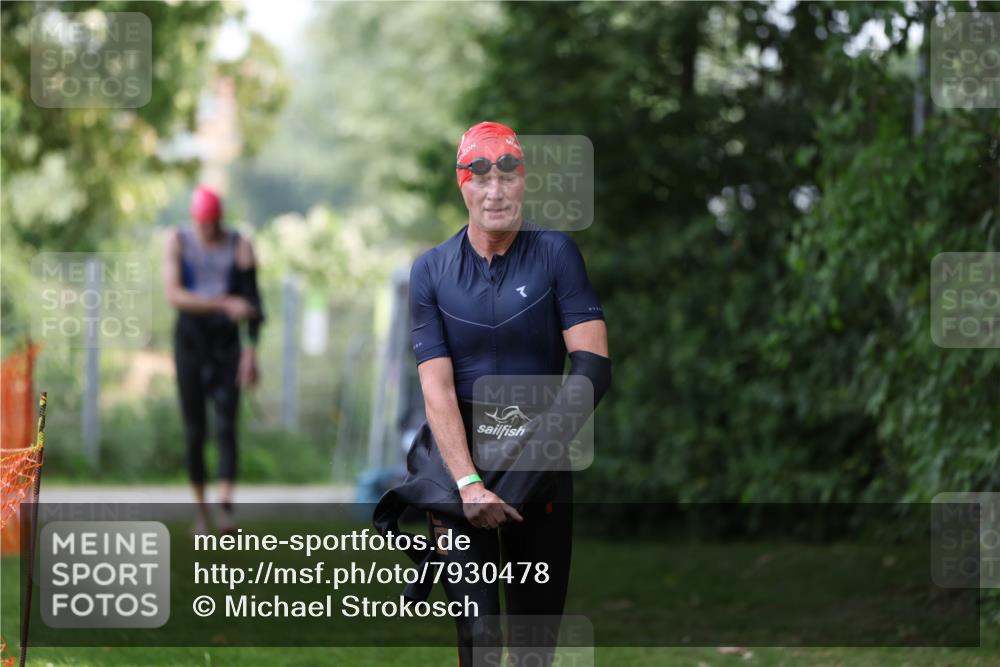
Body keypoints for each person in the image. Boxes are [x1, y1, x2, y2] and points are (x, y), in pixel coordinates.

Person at [376, 122, 611, 667]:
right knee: (479, 645)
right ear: (462, 185)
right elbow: (435, 389)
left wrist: (526, 477)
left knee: (534, 649)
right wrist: (469, 486)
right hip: (461, 471)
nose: (495, 190)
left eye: (508, 174)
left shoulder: (556, 254)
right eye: (480, 176)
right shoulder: (431, 271)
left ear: (523, 181)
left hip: (541, 467)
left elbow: (594, 367)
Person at [161, 185, 264, 534]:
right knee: (194, 430)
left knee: (226, 427)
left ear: (221, 219)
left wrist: (250, 354)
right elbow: (175, 296)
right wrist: (223, 303)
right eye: (201, 223)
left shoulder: (240, 245)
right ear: (194, 219)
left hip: (227, 347)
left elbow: (253, 306)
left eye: (212, 223)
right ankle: (200, 513)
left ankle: (224, 512)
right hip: (190, 342)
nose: (207, 230)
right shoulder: (177, 240)